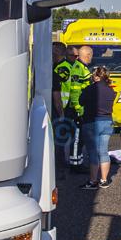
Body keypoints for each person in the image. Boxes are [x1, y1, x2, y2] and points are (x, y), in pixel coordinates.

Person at [79, 66, 115, 190]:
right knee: (104, 151)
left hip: (92, 121)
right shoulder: (111, 91)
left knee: (93, 152)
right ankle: (104, 180)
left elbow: (81, 102)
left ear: (96, 76)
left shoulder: (90, 89)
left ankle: (93, 180)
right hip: (107, 121)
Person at [69, 46, 93, 167]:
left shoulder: (82, 68)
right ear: (87, 55)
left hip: (83, 108)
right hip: (79, 109)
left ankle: (78, 161)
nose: (91, 58)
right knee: (77, 138)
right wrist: (78, 109)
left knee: (81, 138)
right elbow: (75, 91)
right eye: (91, 55)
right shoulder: (79, 68)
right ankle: (75, 164)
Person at [51, 42, 69, 180]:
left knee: (58, 142)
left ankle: (60, 169)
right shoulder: (55, 68)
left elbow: (57, 96)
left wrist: (61, 113)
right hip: (57, 109)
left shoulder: (61, 68)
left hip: (62, 109)